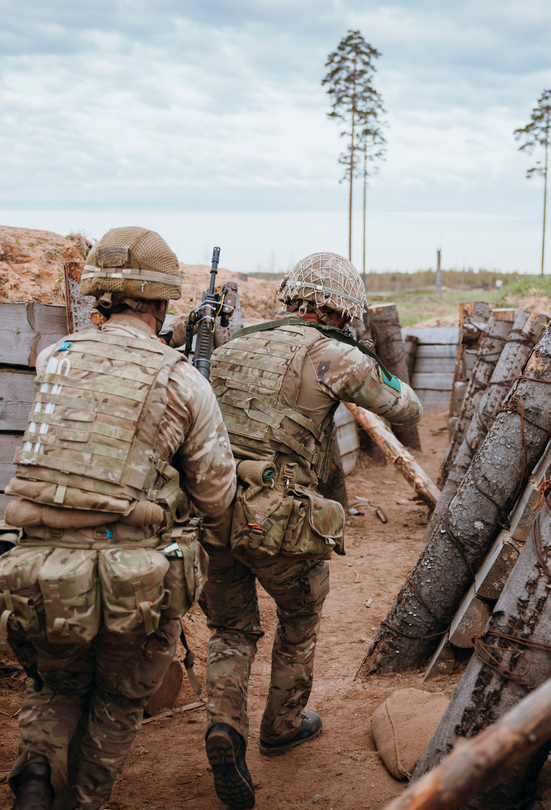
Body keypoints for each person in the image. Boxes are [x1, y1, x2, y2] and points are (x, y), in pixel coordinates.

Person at [0, 227, 236, 810]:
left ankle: (35, 779)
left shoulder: (57, 356)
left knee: (56, 683)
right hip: (131, 576)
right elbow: (217, 496)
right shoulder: (182, 378)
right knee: (119, 699)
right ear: (161, 300)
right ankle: (82, 801)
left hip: (36, 566)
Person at [200, 252, 422, 810]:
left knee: (230, 628)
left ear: (289, 296)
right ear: (344, 309)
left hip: (214, 510)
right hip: (280, 523)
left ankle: (224, 727)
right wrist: (364, 361)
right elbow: (407, 408)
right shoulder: (333, 355)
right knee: (299, 615)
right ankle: (282, 724)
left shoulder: (231, 347)